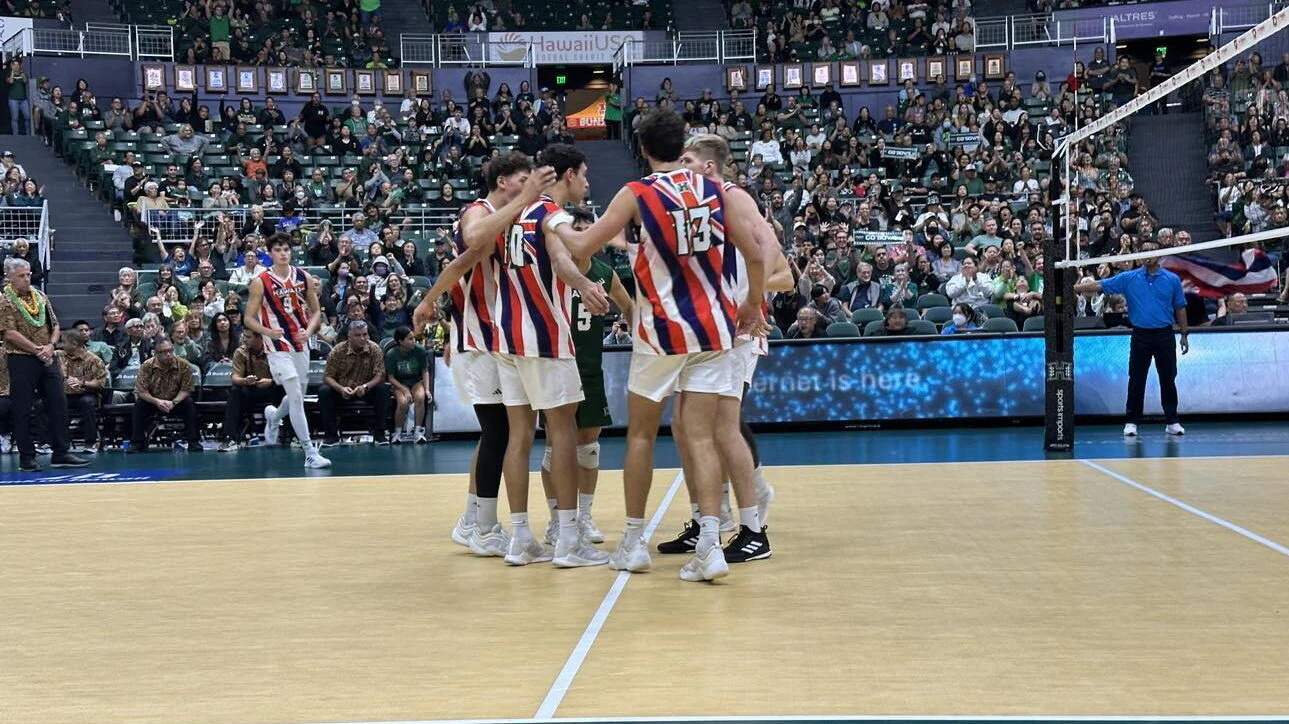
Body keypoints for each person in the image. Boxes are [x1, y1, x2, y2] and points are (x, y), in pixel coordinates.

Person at [550, 110, 768, 582]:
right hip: (713, 331)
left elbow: (583, 247)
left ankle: (632, 541)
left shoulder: (638, 193)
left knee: (642, 436)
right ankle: (710, 545)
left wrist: (555, 223)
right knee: (702, 435)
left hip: (661, 332)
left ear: (642, 148)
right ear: (680, 144)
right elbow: (754, 251)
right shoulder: (715, 190)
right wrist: (753, 303)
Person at [661, 134, 794, 564]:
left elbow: (775, 258)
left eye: (687, 159)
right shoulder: (695, 203)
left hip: (736, 331)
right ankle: (707, 518)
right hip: (703, 329)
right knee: (685, 426)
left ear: (709, 166)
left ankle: (754, 528)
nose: (680, 166)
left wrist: (751, 300)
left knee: (722, 427)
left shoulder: (733, 196)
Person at [413, 151, 553, 556]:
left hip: (497, 335)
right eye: (522, 176)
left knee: (498, 432)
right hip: (480, 335)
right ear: (503, 180)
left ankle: (473, 519)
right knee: (500, 431)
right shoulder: (479, 210)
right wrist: (428, 302)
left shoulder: (507, 212)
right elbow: (468, 250)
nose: (528, 181)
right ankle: (486, 528)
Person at [488, 143, 611, 568]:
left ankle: (520, 536)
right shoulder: (550, 214)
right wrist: (585, 286)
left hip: (506, 336)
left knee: (518, 436)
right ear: (568, 175)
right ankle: (568, 540)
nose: (587, 183)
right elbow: (562, 259)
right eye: (584, 174)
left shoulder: (514, 213)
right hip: (544, 335)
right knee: (563, 431)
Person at [536, 208, 636, 547]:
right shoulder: (552, 272)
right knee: (555, 448)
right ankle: (556, 520)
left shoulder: (605, 273)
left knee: (588, 448)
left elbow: (630, 307)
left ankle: (585, 517)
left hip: (590, 370)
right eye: (574, 229)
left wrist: (637, 332)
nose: (580, 234)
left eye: (585, 229)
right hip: (555, 367)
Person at [1074, 241, 1188, 436]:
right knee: (1136, 379)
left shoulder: (1172, 279)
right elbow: (1100, 285)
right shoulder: (1129, 278)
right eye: (1144, 251)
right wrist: (1071, 287)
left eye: (1151, 251)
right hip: (1140, 336)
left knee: (1168, 379)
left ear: (1160, 254)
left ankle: (1172, 421)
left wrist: (1184, 334)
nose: (1147, 254)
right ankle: (1131, 421)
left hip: (1164, 335)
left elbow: (1180, 307)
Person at [244, 233, 331, 468]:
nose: (283, 253)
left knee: (297, 397)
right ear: (270, 253)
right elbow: (248, 318)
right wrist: (267, 331)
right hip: (276, 344)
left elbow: (315, 313)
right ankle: (310, 451)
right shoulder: (260, 281)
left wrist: (309, 331)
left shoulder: (303, 276)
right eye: (278, 250)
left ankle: (273, 416)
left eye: (286, 249)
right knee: (293, 391)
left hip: (300, 342)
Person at [0, 258, 89, 471]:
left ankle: (61, 452)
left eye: (29, 274)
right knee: (22, 408)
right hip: (20, 358)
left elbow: (55, 324)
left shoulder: (40, 296)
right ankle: (27, 457)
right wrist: (37, 350)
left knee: (58, 403)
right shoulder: (5, 301)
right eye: (21, 275)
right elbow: (9, 334)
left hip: (47, 356)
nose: (27, 278)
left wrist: (50, 346)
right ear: (9, 277)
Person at [319, 321, 390, 445]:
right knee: (324, 391)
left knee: (382, 389)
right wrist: (340, 389)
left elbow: (380, 374)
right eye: (358, 335)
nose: (362, 338)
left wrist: (366, 386)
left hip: (366, 390)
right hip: (342, 391)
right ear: (349, 336)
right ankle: (331, 435)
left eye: (365, 334)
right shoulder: (338, 350)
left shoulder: (374, 349)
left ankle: (380, 434)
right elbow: (327, 376)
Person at [129, 338, 202, 453]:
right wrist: (157, 402)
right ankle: (138, 442)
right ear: (156, 353)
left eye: (170, 350)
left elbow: (187, 389)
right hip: (154, 401)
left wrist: (174, 402)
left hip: (176, 400)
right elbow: (141, 391)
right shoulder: (147, 365)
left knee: (189, 403)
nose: (168, 354)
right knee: (139, 405)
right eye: (164, 352)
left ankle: (193, 441)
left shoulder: (183, 364)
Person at [217, 329, 285, 451]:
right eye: (244, 336)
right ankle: (229, 439)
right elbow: (235, 378)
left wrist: (271, 381)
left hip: (273, 388)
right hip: (251, 389)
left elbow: (285, 375)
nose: (244, 339)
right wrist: (245, 381)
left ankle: (294, 436)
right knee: (235, 391)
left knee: (288, 390)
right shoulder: (240, 352)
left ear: (260, 337)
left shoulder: (275, 350)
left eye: (248, 337)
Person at [58, 320, 108, 453]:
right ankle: (47, 443)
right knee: (42, 404)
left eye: (64, 342)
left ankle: (90, 443)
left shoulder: (94, 360)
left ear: (74, 344)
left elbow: (100, 383)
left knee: (87, 403)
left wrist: (82, 383)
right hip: (64, 395)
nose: (61, 345)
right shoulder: (59, 356)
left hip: (86, 394)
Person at [385, 326, 432, 443]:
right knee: (402, 402)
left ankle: (417, 432)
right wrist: (404, 390)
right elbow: (390, 377)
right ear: (400, 341)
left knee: (420, 398)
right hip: (399, 382)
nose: (413, 341)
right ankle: (397, 433)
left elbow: (425, 371)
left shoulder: (420, 350)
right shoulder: (391, 354)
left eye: (413, 338)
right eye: (410, 339)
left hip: (416, 381)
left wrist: (427, 389)